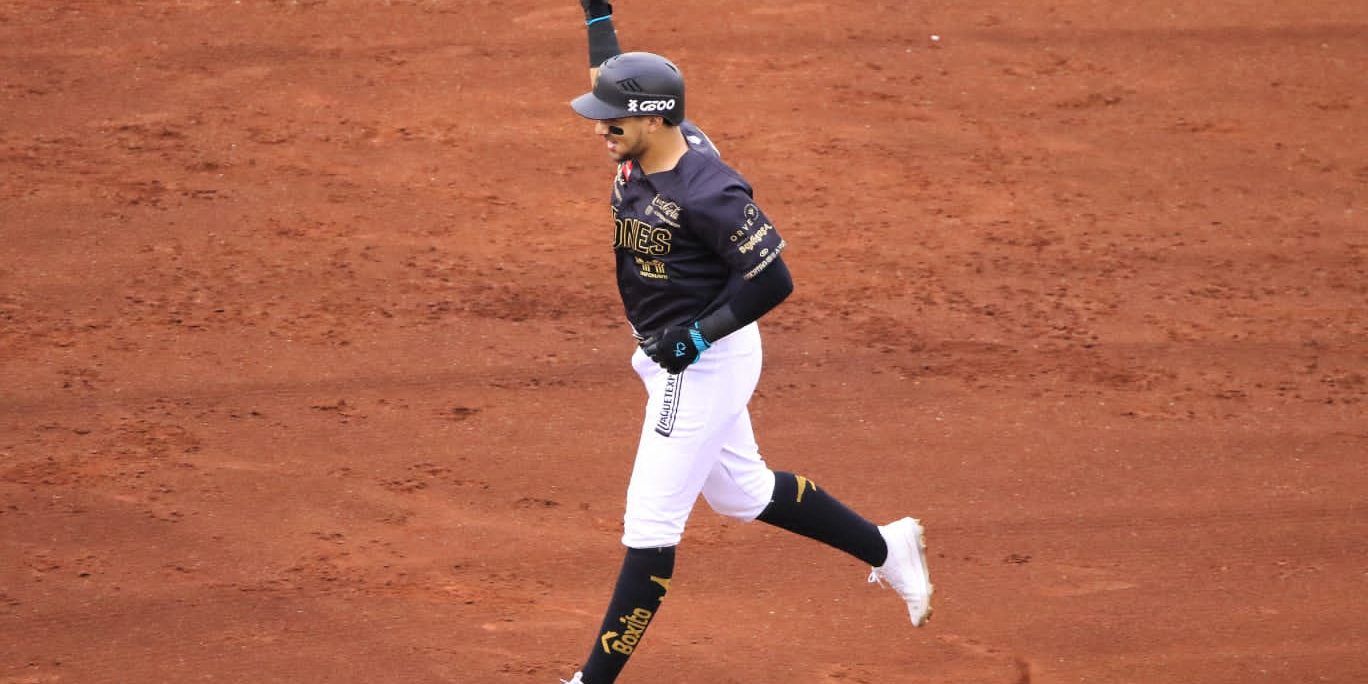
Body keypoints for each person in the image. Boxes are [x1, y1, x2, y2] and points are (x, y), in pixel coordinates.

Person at [560, 3, 933, 682]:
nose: (599, 128)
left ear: (653, 119)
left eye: (612, 118)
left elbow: (774, 279)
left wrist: (695, 340)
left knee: (650, 528)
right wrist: (598, 14)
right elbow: (611, 78)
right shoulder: (647, 142)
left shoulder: (711, 193)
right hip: (674, 353)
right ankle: (887, 546)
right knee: (742, 492)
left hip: (701, 362)